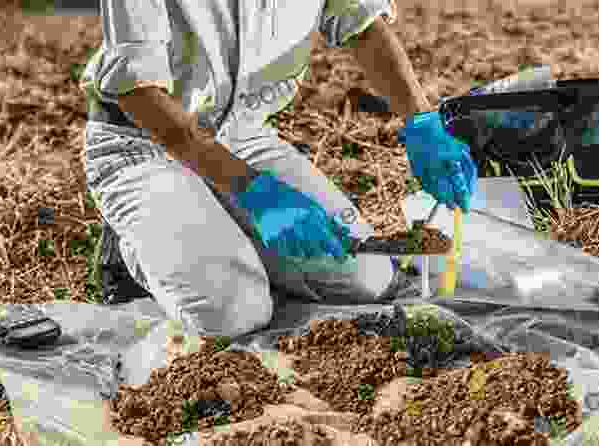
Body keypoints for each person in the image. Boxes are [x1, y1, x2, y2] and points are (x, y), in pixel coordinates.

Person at [79, 0, 476, 339]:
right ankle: (132, 249)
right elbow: (138, 94)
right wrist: (252, 190)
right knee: (232, 311)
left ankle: (218, 233)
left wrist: (423, 123)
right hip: (142, 143)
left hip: (239, 134)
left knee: (366, 278)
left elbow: (362, 24)